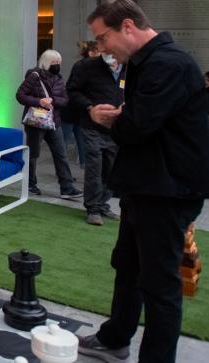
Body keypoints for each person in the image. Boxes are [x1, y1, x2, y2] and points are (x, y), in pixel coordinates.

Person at [78, 2, 209, 362]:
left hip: (167, 190)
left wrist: (110, 121)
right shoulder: (146, 63)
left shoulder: (168, 65)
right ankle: (116, 337)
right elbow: (144, 120)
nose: (102, 48)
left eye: (104, 38)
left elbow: (138, 126)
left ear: (128, 27)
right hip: (145, 185)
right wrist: (121, 117)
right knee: (128, 266)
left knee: (160, 285)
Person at [67, 48, 124, 226]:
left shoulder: (129, 67)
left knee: (112, 168)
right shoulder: (86, 67)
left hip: (117, 129)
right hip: (91, 126)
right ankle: (92, 208)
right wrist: (90, 107)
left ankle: (102, 204)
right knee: (94, 167)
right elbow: (72, 91)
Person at [16, 49, 83, 199]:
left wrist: (52, 100)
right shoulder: (34, 76)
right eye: (54, 62)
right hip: (35, 122)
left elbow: (65, 99)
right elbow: (20, 95)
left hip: (54, 121)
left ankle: (67, 187)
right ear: (46, 62)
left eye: (59, 62)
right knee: (33, 154)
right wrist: (39, 101)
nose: (57, 65)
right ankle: (30, 184)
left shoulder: (59, 78)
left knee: (61, 154)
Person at [61, 41, 100, 168]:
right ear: (91, 52)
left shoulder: (93, 67)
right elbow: (72, 89)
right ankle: (64, 171)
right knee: (65, 142)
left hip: (80, 112)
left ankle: (85, 168)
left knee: (81, 142)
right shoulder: (82, 66)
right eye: (98, 50)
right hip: (71, 111)